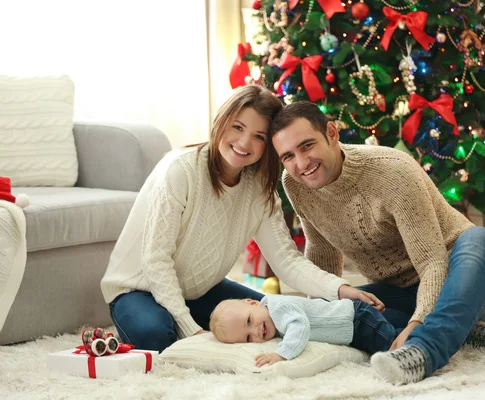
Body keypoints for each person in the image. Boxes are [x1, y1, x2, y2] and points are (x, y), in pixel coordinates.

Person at [100, 86, 382, 352]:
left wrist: (340, 289)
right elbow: (155, 261)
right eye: (238, 127)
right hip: (139, 288)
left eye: (259, 136)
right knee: (157, 335)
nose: (244, 143)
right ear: (222, 121)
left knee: (276, 316)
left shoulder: (259, 190)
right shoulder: (179, 170)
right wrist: (190, 329)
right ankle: (166, 322)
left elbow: (287, 262)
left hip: (201, 290)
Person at [269, 101, 485, 385]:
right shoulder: (294, 183)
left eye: (307, 146)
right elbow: (322, 250)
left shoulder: (391, 171)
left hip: (473, 279)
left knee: (479, 237)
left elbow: (432, 262)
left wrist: (416, 324)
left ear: (331, 132)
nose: (301, 164)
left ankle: (424, 351)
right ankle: (469, 334)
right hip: (402, 291)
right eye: (287, 156)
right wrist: (322, 316)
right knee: (354, 308)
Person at [209, 295, 404, 367]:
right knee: (388, 338)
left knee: (392, 346)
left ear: (252, 303)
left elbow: (300, 325)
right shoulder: (273, 322)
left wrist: (281, 354)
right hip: (351, 331)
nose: (256, 331)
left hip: (356, 319)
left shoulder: (278, 307)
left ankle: (422, 338)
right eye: (248, 337)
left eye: (250, 320)